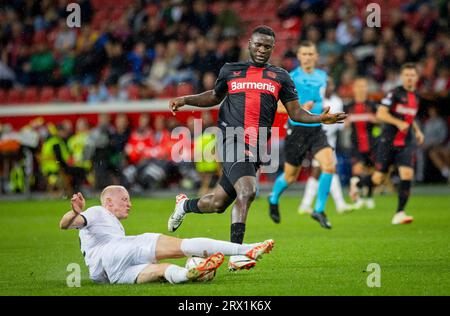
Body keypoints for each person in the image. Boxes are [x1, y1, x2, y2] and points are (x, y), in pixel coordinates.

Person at [167, 26, 346, 271]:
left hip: (258, 144)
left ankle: (184, 205)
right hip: (231, 138)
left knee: (219, 204)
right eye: (258, 45)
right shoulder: (230, 70)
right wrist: (186, 100)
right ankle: (238, 254)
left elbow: (295, 112)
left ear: (273, 48)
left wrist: (320, 118)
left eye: (267, 46)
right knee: (248, 190)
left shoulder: (281, 76)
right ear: (249, 44)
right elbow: (214, 97)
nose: (262, 50)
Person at [59, 185, 274, 285]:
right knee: (182, 245)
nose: (129, 204)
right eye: (124, 199)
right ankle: (245, 249)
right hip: (115, 250)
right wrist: (75, 212)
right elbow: (66, 224)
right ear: (108, 202)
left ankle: (188, 274)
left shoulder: (111, 224)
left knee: (161, 271)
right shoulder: (97, 212)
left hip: (108, 275)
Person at [268, 41, 338, 229]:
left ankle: (319, 209)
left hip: (316, 128)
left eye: (310, 54)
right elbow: (278, 106)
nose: (307, 57)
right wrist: (297, 109)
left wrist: (322, 110)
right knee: (290, 177)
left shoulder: (323, 77)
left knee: (329, 165)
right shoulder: (290, 78)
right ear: (298, 57)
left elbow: (320, 99)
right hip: (297, 130)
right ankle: (273, 198)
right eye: (304, 54)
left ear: (316, 56)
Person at [350, 63, 425, 225]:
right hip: (388, 141)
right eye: (406, 75)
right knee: (378, 179)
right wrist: (398, 123)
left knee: (407, 175)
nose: (409, 78)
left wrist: (417, 130)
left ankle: (399, 212)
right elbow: (381, 113)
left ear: (417, 78)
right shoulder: (395, 93)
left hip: (406, 142)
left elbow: (409, 117)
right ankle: (358, 182)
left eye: (412, 75)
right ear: (402, 76)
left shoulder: (416, 97)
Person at [297, 76, 353, 214]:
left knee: (319, 171)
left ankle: (305, 204)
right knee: (328, 169)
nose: (330, 87)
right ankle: (339, 204)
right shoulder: (316, 101)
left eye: (332, 85)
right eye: (327, 85)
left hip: (330, 141)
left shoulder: (337, 101)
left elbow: (339, 125)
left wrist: (344, 124)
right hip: (317, 140)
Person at [345, 77, 378, 209]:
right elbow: (344, 123)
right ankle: (357, 197)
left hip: (371, 143)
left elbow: (381, 120)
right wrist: (345, 122)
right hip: (356, 143)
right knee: (357, 171)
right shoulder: (348, 106)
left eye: (364, 86)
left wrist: (375, 119)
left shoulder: (373, 106)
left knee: (370, 172)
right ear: (354, 88)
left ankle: (369, 196)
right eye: (358, 86)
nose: (361, 89)